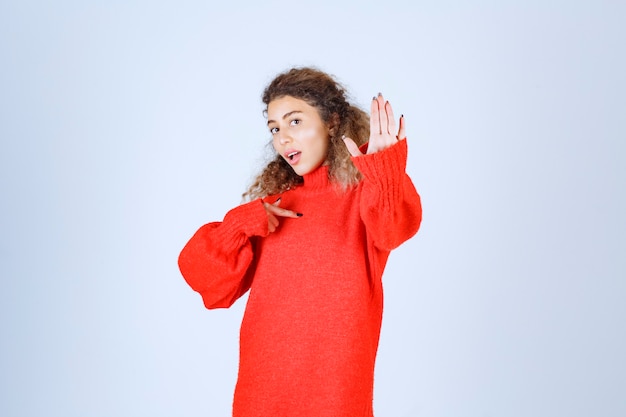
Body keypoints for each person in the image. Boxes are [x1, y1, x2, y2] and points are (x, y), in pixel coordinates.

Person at [178, 67, 422, 417]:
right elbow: (206, 282)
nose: (282, 138)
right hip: (262, 390)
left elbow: (393, 229)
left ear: (332, 122)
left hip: (336, 393)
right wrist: (238, 225)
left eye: (294, 122)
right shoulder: (274, 206)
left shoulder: (365, 197)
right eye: (275, 128)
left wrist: (384, 170)